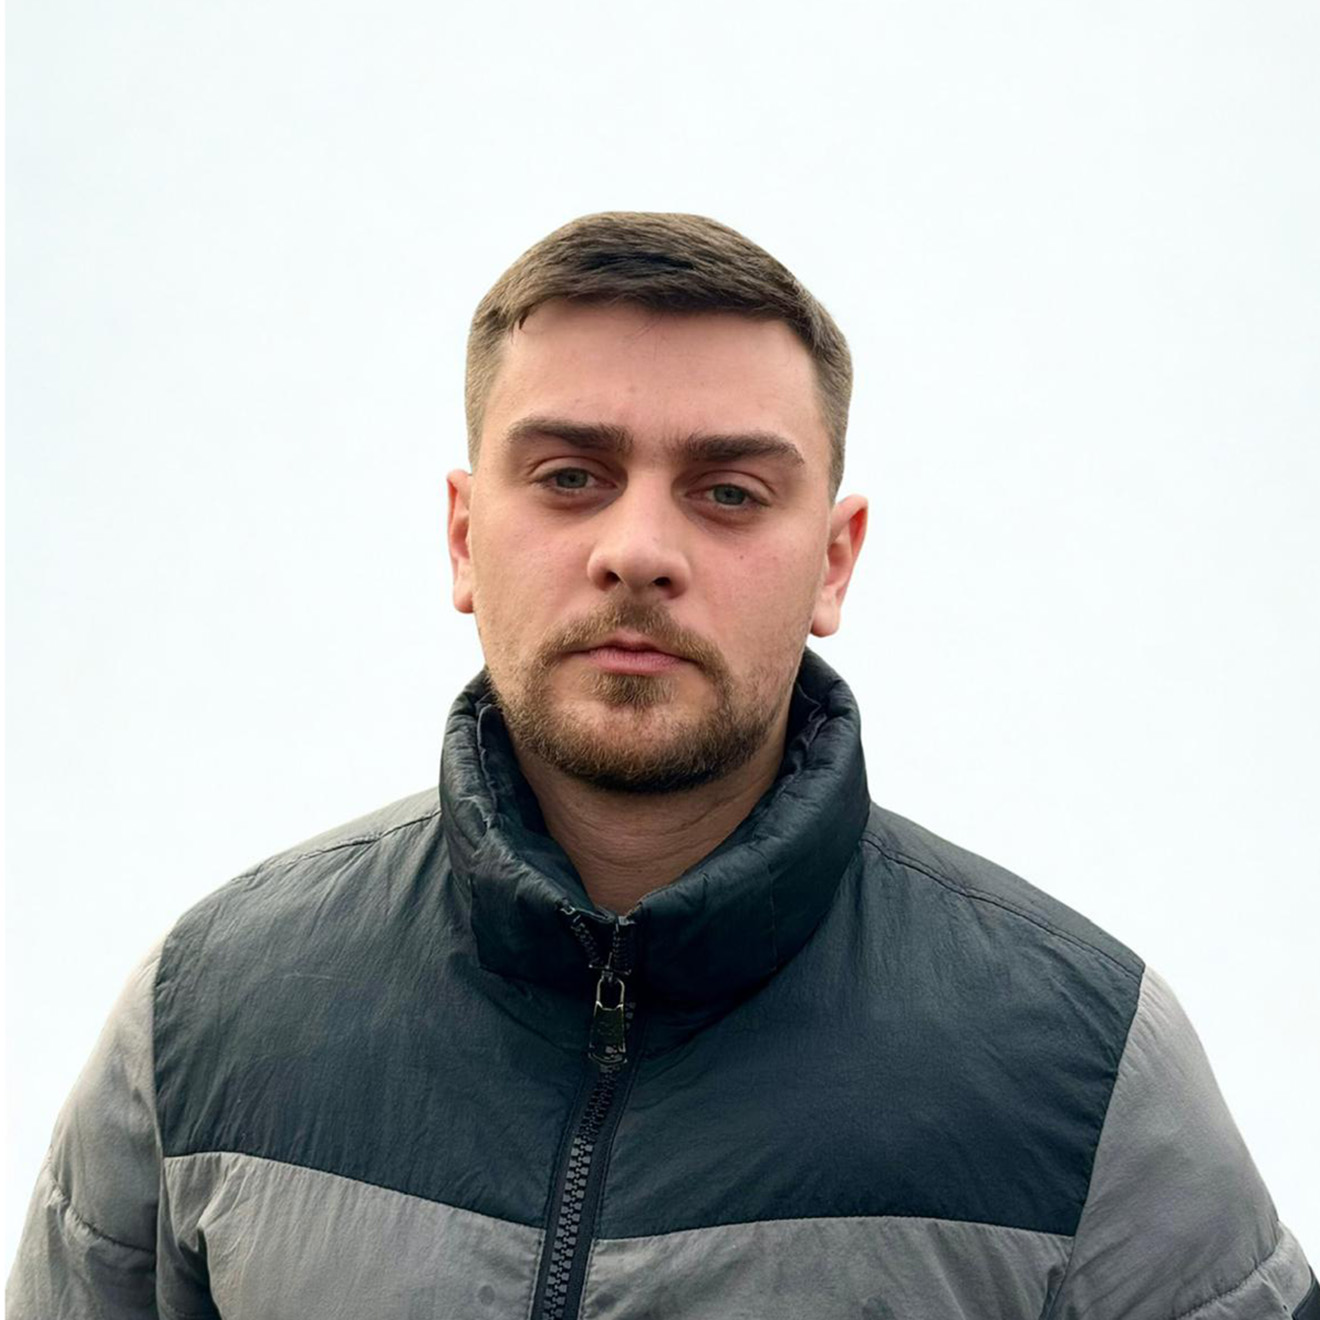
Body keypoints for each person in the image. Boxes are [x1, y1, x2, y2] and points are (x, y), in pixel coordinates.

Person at [9, 212, 1315, 1320]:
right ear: (463, 537)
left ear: (835, 562)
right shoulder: (208, 1021)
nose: (637, 548)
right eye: (571, 475)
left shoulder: (1087, 1071)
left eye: (729, 491)